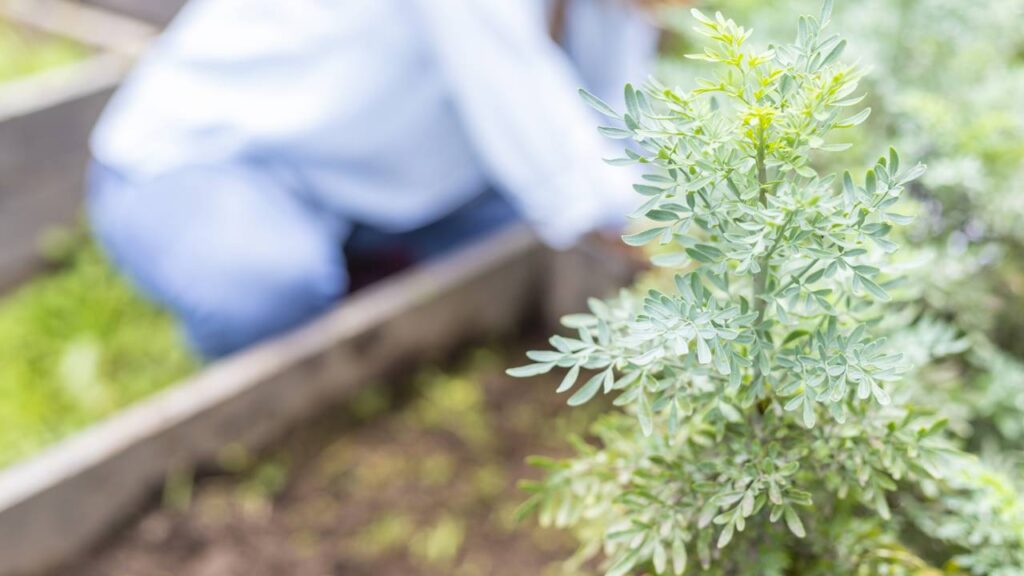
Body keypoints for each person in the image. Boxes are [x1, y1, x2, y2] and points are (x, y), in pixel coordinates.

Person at [87, 0, 663, 359]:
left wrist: (685, 205)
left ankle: (352, 266)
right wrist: (668, 247)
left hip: (374, 180)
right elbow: (534, 124)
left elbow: (612, 123)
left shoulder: (613, 8)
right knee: (274, 296)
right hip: (217, 157)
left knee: (519, 235)